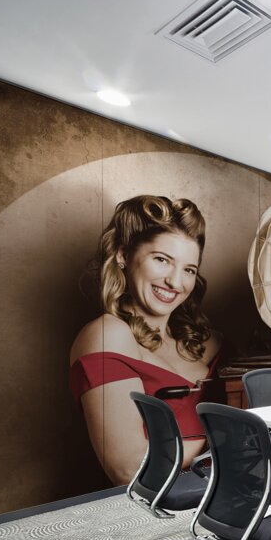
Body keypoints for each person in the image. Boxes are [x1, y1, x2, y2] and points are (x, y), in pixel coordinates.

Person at [70, 195, 223, 485]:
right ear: (122, 255)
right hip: (152, 515)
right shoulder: (107, 334)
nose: (176, 283)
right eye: (162, 260)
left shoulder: (209, 342)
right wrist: (228, 434)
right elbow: (130, 470)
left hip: (223, 501)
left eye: (189, 270)